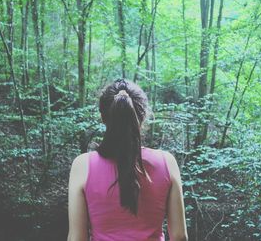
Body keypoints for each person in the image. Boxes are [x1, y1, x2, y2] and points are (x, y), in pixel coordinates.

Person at [67, 79, 188, 241]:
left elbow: (76, 239)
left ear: (103, 117)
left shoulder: (82, 166)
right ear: (143, 117)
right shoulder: (167, 163)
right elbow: (179, 236)